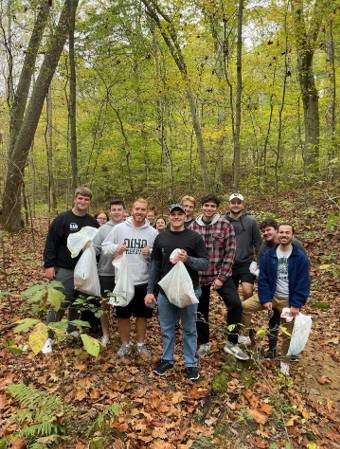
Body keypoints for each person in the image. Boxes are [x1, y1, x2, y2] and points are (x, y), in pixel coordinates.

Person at [145, 203, 210, 380]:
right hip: (165, 292)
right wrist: (151, 290)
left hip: (189, 291)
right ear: (169, 216)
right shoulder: (161, 238)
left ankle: (190, 363)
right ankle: (167, 359)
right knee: (167, 328)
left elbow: (205, 263)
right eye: (173, 214)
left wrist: (187, 259)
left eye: (179, 214)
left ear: (185, 216)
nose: (176, 217)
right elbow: (155, 266)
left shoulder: (194, 237)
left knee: (189, 329)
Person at [241, 223, 310, 375]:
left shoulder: (300, 258)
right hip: (271, 295)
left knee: (288, 332)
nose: (284, 235)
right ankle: (244, 336)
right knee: (243, 307)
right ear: (277, 234)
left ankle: (285, 360)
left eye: (287, 233)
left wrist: (296, 304)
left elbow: (303, 282)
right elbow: (263, 278)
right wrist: (265, 299)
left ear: (292, 235)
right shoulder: (269, 255)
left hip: (288, 300)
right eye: (282, 232)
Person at [189, 194, 249, 360]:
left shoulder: (225, 225)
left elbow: (230, 252)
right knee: (201, 311)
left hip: (220, 274)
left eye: (212, 206)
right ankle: (204, 342)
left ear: (217, 208)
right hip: (200, 277)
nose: (209, 209)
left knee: (235, 304)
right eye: (206, 205)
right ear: (201, 206)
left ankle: (232, 342)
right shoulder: (193, 227)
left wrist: (222, 277)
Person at [42, 187, 99, 354]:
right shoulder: (63, 219)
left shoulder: (92, 222)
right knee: (59, 303)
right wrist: (49, 265)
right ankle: (48, 337)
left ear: (89, 202)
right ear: (75, 199)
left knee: (77, 302)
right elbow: (51, 242)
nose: (83, 202)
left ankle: (72, 328)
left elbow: (99, 243)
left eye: (86, 199)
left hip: (85, 270)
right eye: (80, 198)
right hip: (65, 268)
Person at [102, 199, 158, 359]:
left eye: (143, 209)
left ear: (147, 212)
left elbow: (159, 254)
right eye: (137, 209)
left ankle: (140, 345)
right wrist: (116, 248)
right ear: (132, 210)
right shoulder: (119, 229)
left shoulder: (152, 232)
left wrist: (151, 251)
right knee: (123, 315)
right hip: (122, 281)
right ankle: (125, 345)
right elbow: (105, 247)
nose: (140, 212)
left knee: (142, 315)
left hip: (143, 281)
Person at [92, 200, 125, 345]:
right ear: (109, 211)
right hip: (105, 271)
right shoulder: (102, 229)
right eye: (114, 209)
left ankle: (122, 334)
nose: (117, 212)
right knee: (104, 304)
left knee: (123, 305)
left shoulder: (128, 228)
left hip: (124, 273)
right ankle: (105, 334)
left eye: (119, 209)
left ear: (124, 211)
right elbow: (95, 249)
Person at [225, 193, 262, 300]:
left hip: (246, 262)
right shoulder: (223, 222)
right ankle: (236, 313)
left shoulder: (251, 221)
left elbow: (258, 244)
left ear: (243, 205)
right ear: (229, 204)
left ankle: (245, 313)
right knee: (232, 296)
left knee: (248, 291)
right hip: (228, 263)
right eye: (233, 203)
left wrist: (260, 262)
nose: (236, 205)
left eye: (238, 203)